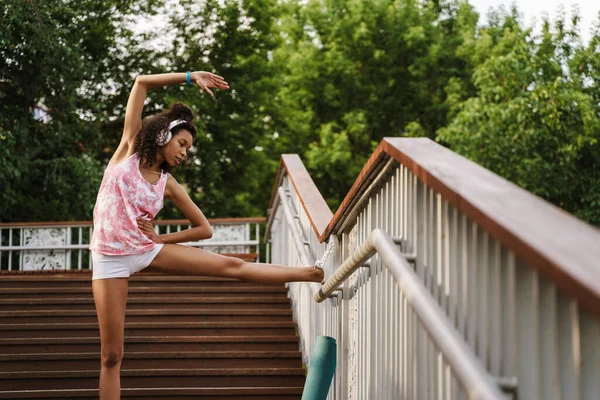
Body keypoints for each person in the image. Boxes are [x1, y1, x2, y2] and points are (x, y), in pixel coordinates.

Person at [89, 71, 324, 400]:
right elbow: (140, 83)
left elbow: (204, 228)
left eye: (189, 148)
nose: (185, 152)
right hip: (108, 257)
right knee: (111, 356)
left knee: (232, 266)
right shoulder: (126, 154)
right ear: (162, 136)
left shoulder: (168, 184)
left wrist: (161, 240)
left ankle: (311, 273)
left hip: (145, 249)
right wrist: (189, 76)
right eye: (182, 143)